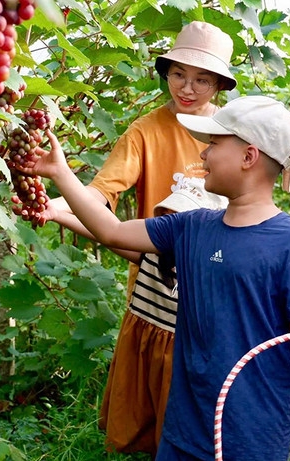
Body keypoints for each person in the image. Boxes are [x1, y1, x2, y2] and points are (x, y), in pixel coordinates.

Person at [22, 95, 290, 460]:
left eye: (213, 144)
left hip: (252, 432)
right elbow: (112, 231)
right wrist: (59, 173)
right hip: (185, 424)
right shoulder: (191, 227)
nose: (203, 155)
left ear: (249, 157)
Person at [43, 21, 235, 456]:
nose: (188, 87)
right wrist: (56, 204)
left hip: (211, 287)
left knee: (201, 399)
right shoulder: (146, 130)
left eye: (202, 78)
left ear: (220, 83)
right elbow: (100, 192)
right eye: (178, 74)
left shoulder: (232, 131)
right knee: (151, 400)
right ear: (165, 73)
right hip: (154, 280)